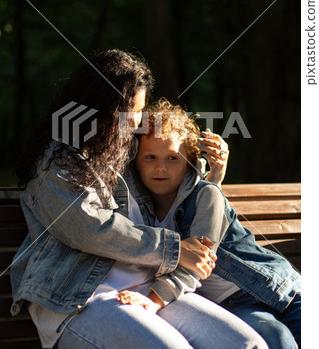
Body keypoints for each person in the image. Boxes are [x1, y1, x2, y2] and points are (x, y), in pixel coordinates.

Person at [10, 50, 267, 349]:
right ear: (101, 107)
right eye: (130, 111)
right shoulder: (56, 163)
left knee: (247, 343)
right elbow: (88, 228)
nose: (134, 123)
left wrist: (212, 168)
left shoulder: (122, 152)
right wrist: (173, 250)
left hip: (149, 286)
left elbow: (172, 159)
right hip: (79, 297)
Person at [124, 98, 301, 349]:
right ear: (135, 161)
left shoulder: (206, 195)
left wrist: (155, 300)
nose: (160, 167)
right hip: (236, 303)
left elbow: (199, 260)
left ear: (189, 163)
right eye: (150, 157)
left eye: (173, 158)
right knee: (276, 339)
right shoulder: (140, 214)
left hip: (282, 285)